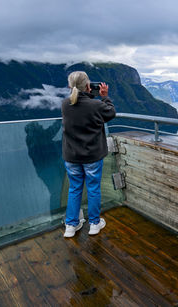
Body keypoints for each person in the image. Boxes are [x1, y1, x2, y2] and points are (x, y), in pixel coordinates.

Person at [61, 71, 116, 238]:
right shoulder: (95, 105)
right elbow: (110, 113)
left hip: (71, 156)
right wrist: (104, 96)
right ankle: (94, 224)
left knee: (74, 189)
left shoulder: (65, 104)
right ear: (87, 86)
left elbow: (79, 103)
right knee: (93, 189)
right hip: (91, 155)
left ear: (70, 87)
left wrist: (87, 93)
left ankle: (71, 226)